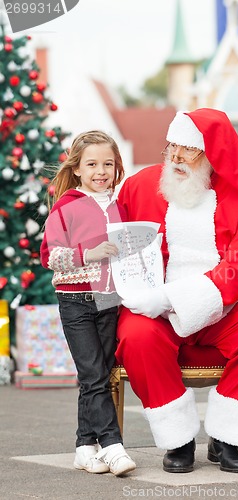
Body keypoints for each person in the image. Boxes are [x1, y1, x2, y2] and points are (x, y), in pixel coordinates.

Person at [116, 108, 238, 474]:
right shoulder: (139, 186)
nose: (177, 157)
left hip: (223, 309)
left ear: (211, 153)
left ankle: (228, 436)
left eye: (189, 149)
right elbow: (118, 247)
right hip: (157, 314)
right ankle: (178, 440)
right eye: (172, 147)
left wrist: (171, 297)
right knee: (135, 336)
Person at [40, 131, 136, 476]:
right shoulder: (68, 205)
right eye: (92, 164)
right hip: (76, 300)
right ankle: (112, 445)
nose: (101, 171)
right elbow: (50, 255)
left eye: (108, 164)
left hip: (110, 300)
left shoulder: (118, 206)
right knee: (94, 375)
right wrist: (88, 254)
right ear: (77, 168)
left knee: (96, 375)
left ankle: (84, 447)